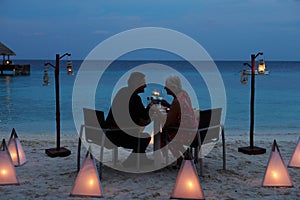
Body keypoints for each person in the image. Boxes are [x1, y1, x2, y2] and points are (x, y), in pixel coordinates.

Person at [105, 72, 153, 166]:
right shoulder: (134, 98)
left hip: (108, 133)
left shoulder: (122, 91)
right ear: (136, 84)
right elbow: (144, 118)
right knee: (145, 137)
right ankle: (131, 161)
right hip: (119, 136)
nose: (146, 85)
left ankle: (138, 159)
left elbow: (138, 116)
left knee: (140, 133)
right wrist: (152, 108)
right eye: (143, 83)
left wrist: (148, 108)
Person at [154, 75, 198, 167]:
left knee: (163, 135)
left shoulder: (177, 101)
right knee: (168, 133)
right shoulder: (184, 94)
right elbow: (180, 111)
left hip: (186, 133)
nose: (165, 89)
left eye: (167, 87)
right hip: (194, 130)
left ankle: (179, 158)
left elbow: (167, 122)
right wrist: (170, 106)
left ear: (173, 88)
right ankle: (184, 155)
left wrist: (156, 110)